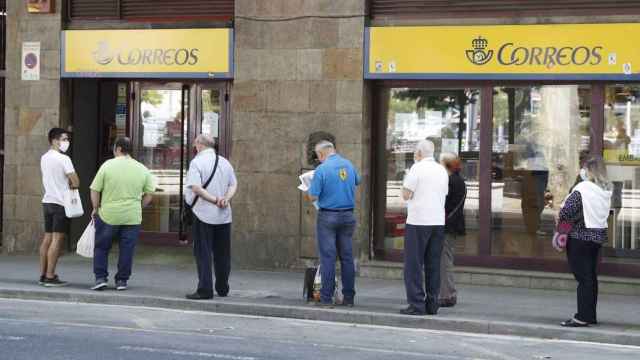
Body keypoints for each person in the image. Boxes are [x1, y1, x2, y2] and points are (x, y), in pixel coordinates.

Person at [90, 137, 155, 291]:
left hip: (108, 215)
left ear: (118, 149)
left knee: (101, 247)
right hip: (132, 216)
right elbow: (149, 194)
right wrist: (139, 206)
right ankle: (121, 281)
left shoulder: (107, 165)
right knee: (127, 249)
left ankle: (100, 278)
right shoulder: (141, 168)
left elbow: (94, 189)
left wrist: (95, 207)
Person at [554, 156, 612, 327]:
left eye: (584, 168)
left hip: (579, 237)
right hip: (596, 238)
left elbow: (567, 211)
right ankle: (590, 315)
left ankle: (582, 317)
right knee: (591, 278)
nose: (582, 171)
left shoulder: (583, 188)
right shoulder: (606, 190)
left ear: (589, 170)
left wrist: (561, 213)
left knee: (583, 278)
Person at [184, 135, 238, 300]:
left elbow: (196, 188)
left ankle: (205, 289)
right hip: (223, 215)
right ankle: (222, 287)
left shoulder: (197, 162)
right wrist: (225, 199)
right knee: (223, 253)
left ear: (200, 145)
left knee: (203, 253)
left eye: (195, 144)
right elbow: (233, 184)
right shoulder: (224, 162)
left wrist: (215, 200)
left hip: (203, 213)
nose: (195, 147)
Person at [308, 141, 360, 307]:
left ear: (321, 154)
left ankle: (326, 297)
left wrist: (309, 188)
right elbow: (357, 181)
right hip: (347, 216)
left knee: (328, 258)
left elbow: (313, 196)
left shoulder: (321, 169)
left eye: (318, 156)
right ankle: (349, 298)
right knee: (347, 257)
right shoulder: (349, 164)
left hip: (328, 217)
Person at [401, 140, 449, 316]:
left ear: (419, 153)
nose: (414, 154)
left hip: (418, 221)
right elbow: (444, 193)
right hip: (437, 221)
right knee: (433, 264)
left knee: (413, 264)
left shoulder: (417, 168)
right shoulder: (441, 170)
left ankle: (416, 304)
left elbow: (406, 194)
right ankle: (432, 303)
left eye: (415, 151)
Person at [39, 128, 80, 287]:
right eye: (64, 139)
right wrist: (69, 184)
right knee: (57, 239)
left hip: (47, 201)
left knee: (47, 238)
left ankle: (42, 274)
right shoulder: (64, 159)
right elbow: (76, 182)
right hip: (60, 203)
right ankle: (50, 276)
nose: (66, 142)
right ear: (55, 140)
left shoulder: (44, 158)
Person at [439, 153, 467, 308]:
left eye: (440, 163)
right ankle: (445, 293)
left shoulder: (450, 181)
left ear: (446, 165)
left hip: (447, 225)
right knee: (445, 259)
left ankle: (447, 294)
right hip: (452, 224)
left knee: (444, 261)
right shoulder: (459, 180)